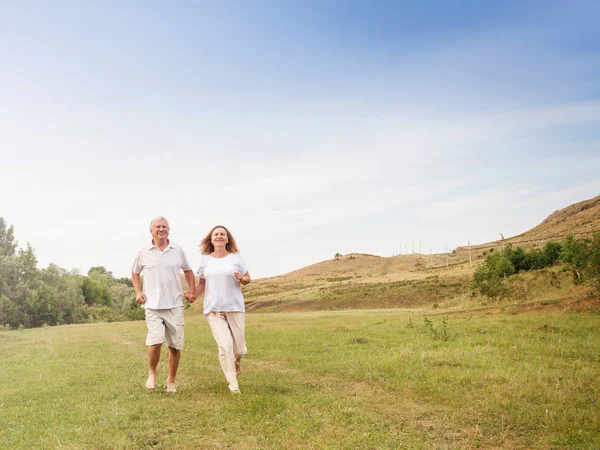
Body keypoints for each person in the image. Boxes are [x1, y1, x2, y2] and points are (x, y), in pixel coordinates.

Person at [131, 216, 196, 393]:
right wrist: (138, 292)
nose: (161, 229)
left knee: (175, 345)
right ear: (151, 230)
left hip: (174, 304)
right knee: (155, 341)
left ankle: (171, 381)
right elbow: (135, 273)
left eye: (164, 227)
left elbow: (188, 271)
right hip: (152, 305)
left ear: (169, 230)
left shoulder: (177, 249)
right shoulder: (143, 251)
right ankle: (151, 374)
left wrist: (192, 291)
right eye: (158, 227)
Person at [194, 225, 250, 394]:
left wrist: (242, 278)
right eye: (216, 234)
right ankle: (234, 386)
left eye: (222, 234)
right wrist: (192, 295)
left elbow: (248, 278)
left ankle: (237, 361)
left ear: (227, 239)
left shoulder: (236, 258)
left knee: (238, 349)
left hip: (235, 307)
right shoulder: (205, 260)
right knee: (225, 347)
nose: (219, 236)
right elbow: (202, 283)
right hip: (214, 309)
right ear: (211, 239)